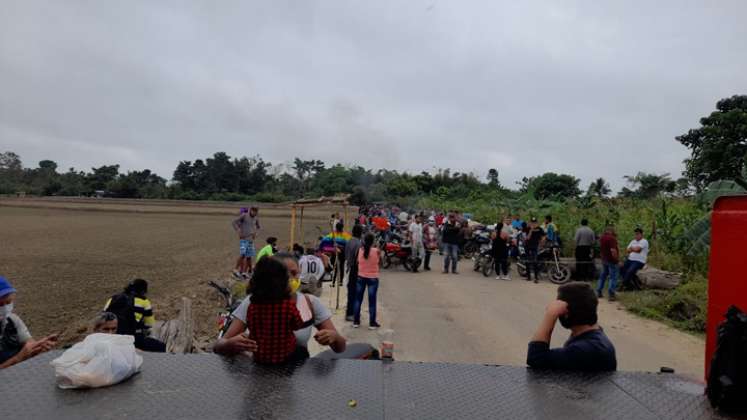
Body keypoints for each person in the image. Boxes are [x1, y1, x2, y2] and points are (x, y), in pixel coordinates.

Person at [214, 254, 346, 359]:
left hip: (298, 373)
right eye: (285, 275)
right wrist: (229, 344)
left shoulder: (310, 303)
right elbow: (218, 345)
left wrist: (334, 337)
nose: (291, 279)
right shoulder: (252, 302)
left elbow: (340, 347)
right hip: (260, 371)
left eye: (295, 273)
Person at [526, 282, 617, 371]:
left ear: (566, 314)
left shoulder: (584, 350)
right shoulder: (594, 337)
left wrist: (550, 315)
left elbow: (536, 357)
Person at [243, 257, 305, 364]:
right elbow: (298, 325)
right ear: (283, 282)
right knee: (303, 351)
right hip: (286, 357)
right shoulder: (288, 306)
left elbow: (250, 326)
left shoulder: (252, 306)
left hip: (260, 359)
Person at [0, 277, 58, 369]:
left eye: (8, 303)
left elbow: (28, 344)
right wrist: (19, 358)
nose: (4, 308)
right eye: (0, 304)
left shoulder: (13, 320)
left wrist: (38, 347)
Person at [104, 278, 166, 352]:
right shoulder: (144, 301)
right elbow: (150, 324)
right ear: (143, 290)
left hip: (108, 336)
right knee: (162, 347)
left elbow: (102, 316)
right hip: (130, 338)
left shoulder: (113, 298)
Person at [354, 233, 381, 329]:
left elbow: (358, 262)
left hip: (361, 276)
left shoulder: (360, 250)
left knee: (358, 299)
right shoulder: (376, 251)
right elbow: (379, 262)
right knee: (372, 301)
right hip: (373, 278)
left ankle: (356, 322)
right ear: (373, 241)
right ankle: (372, 323)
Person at [232, 207, 261, 278]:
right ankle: (235, 269)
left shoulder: (256, 218)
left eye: (256, 212)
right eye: (253, 211)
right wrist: (238, 231)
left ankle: (244, 272)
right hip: (244, 238)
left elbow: (258, 227)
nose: (254, 213)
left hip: (251, 239)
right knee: (243, 254)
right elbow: (234, 222)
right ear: (250, 210)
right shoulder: (244, 215)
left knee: (249, 256)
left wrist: (256, 233)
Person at [344, 225, 363, 321]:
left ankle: (350, 312)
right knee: (354, 292)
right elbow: (358, 259)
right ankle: (351, 313)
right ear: (360, 233)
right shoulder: (358, 244)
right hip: (355, 269)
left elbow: (346, 255)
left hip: (349, 267)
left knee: (351, 291)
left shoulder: (349, 242)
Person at [597, 226, 620, 301]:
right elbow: (613, 250)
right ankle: (611, 294)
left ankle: (599, 291)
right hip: (611, 260)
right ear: (611, 231)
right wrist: (617, 260)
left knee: (603, 276)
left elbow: (600, 249)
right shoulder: (612, 238)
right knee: (613, 277)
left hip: (604, 260)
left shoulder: (602, 238)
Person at [524, 218, 546, 283]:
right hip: (527, 246)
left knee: (535, 262)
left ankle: (536, 278)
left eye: (535, 222)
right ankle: (528, 277)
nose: (533, 224)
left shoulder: (540, 229)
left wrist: (542, 242)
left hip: (535, 247)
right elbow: (527, 238)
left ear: (537, 222)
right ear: (530, 222)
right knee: (527, 261)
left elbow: (544, 235)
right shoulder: (527, 228)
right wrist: (531, 230)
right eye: (532, 222)